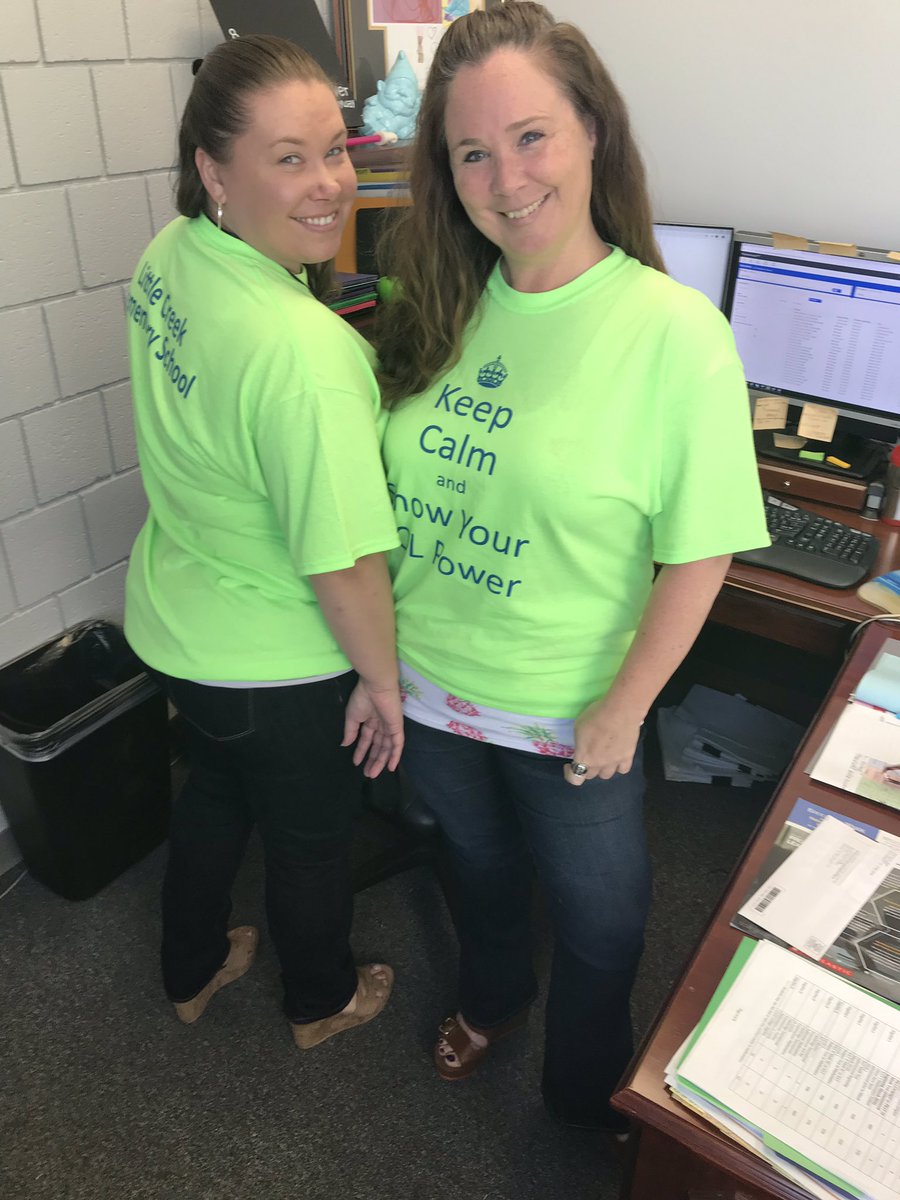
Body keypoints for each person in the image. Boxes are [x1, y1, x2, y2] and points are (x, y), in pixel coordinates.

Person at [375, 2, 769, 1131]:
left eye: (533, 136)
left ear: (595, 130)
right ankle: (493, 998)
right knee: (477, 873)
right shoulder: (439, 304)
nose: (506, 179)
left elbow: (700, 552)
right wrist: (379, 667)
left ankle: (579, 1092)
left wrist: (625, 706)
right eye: (473, 153)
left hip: (572, 713)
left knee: (604, 925)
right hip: (434, 689)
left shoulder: (671, 331)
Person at [124, 35, 401, 1048]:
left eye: (335, 149)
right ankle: (320, 1001)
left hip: (181, 625)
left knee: (213, 797)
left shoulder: (172, 252)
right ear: (213, 170)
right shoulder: (306, 354)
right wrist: (381, 683)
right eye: (289, 159)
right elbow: (344, 560)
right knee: (310, 841)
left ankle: (190, 969)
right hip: (280, 665)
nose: (331, 184)